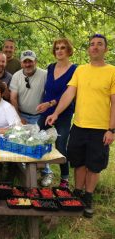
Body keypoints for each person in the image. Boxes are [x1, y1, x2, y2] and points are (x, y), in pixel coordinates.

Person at [46, 34, 115, 218]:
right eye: (92, 44)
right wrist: (56, 113)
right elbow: (69, 94)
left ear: (105, 49)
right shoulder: (81, 70)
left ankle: (89, 197)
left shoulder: (112, 71)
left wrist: (112, 129)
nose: (95, 47)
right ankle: (76, 194)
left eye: (99, 44)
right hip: (79, 125)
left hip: (101, 128)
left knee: (94, 165)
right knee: (78, 161)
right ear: (88, 49)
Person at [36, 38, 77, 188]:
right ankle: (39, 172)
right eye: (57, 48)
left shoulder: (75, 70)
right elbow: (48, 90)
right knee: (36, 140)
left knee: (60, 145)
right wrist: (43, 105)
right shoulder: (51, 67)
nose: (59, 50)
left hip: (64, 113)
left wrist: (51, 103)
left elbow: (69, 93)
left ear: (68, 51)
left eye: (63, 48)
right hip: (47, 112)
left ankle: (64, 179)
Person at [10, 50, 47, 124]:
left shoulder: (45, 75)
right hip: (21, 114)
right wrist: (18, 117)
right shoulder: (16, 76)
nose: (27, 64)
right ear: (21, 63)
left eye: (30, 61)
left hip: (39, 116)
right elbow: (13, 98)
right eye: (25, 62)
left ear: (35, 61)